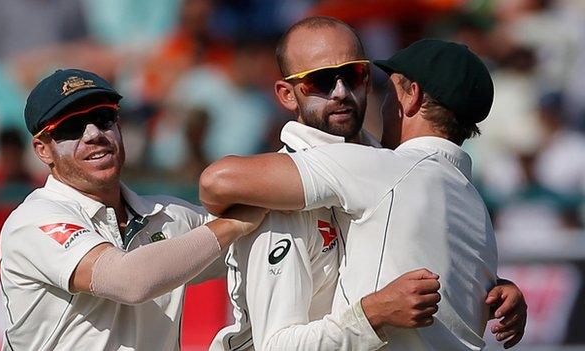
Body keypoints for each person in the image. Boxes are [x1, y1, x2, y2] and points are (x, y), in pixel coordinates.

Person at [205, 18, 526, 350]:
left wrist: (485, 291)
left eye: (355, 75)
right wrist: (374, 312)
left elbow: (217, 181)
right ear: (286, 95)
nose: (341, 92)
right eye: (321, 81)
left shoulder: (386, 169)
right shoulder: (471, 200)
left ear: (410, 96)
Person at [0, 68, 268, 350]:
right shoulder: (32, 220)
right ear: (43, 150)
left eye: (103, 118)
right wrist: (233, 225)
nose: (94, 134)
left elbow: (265, 237)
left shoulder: (169, 213)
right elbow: (130, 280)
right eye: (72, 127)